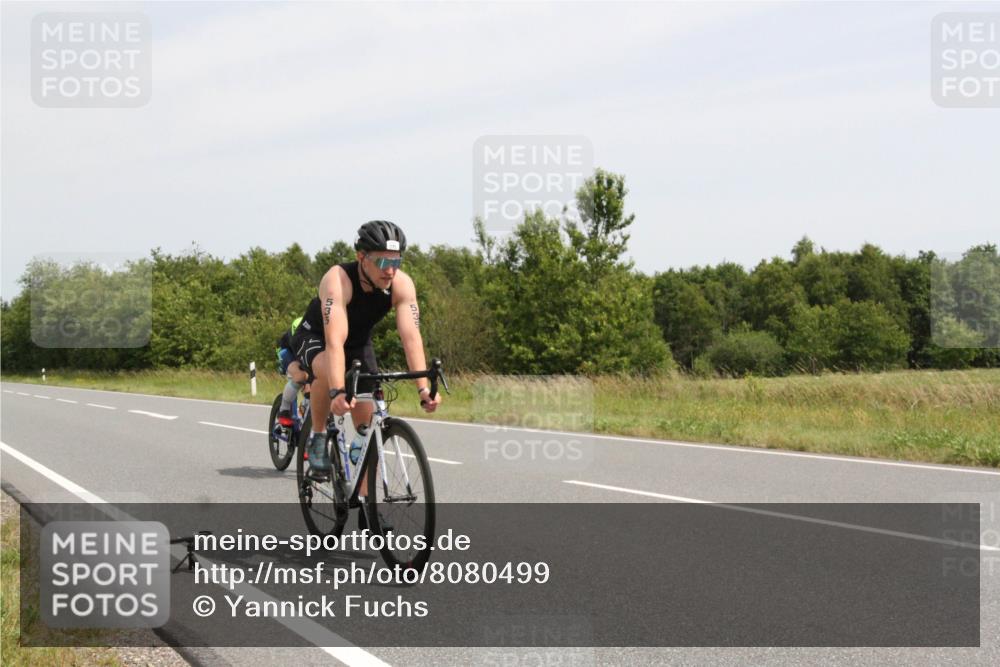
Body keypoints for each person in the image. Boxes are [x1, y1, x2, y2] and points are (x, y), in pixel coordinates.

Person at [290, 220, 441, 482]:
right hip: (317, 337)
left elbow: (411, 337)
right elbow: (335, 341)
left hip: (359, 343)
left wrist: (423, 388)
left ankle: (366, 512)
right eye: (383, 262)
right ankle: (318, 436)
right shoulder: (338, 280)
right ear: (362, 257)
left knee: (367, 426)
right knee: (327, 369)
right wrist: (337, 391)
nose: (391, 271)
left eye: (396, 262)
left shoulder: (402, 284)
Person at [275, 316, 309, 427]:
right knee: (300, 376)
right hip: (287, 351)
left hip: (306, 351)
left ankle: (304, 410)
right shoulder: (299, 326)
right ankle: (284, 410)